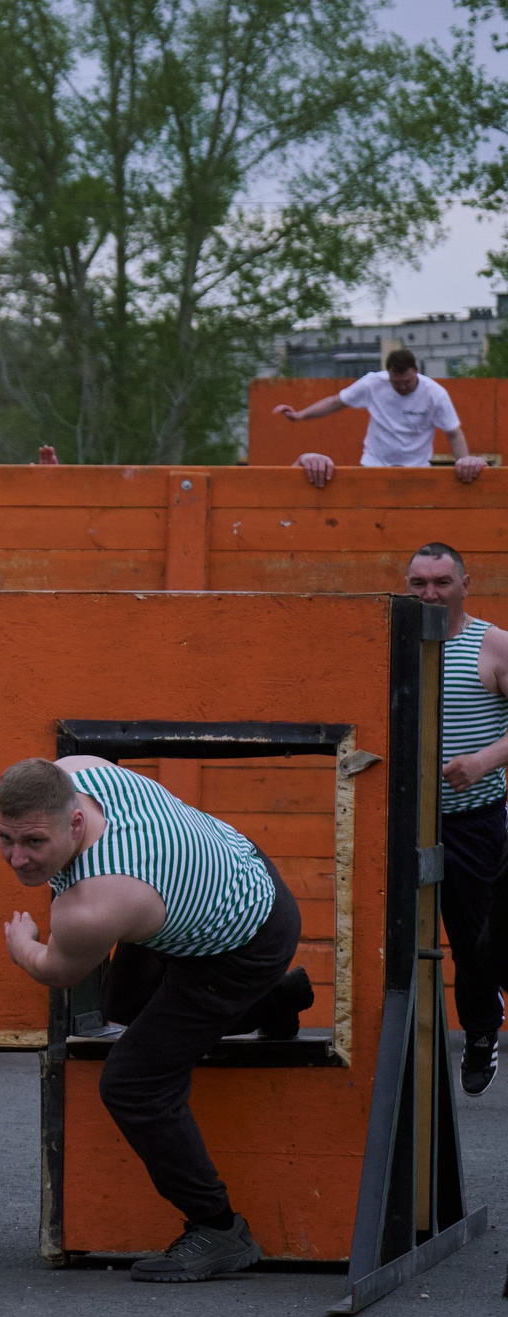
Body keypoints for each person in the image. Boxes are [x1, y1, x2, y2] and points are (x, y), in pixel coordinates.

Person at [0, 756, 301, 1281]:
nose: (17, 859)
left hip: (242, 945)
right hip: (234, 870)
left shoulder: (94, 906)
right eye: (5, 838)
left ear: (75, 822)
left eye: (34, 843)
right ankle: (276, 1000)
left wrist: (23, 947)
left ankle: (219, 1229)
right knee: (123, 1007)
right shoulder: (81, 770)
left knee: (133, 1084)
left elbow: (58, 970)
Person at [405, 544, 508, 1093]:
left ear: (467, 584)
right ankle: (394, 1049)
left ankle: (482, 1032)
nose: (429, 594)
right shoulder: (394, 643)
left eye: (441, 582)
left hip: (475, 819)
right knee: (394, 937)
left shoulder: (492, 646)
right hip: (405, 818)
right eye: (418, 582)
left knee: (474, 940)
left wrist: (484, 760)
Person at [276, 348, 486, 489]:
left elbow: (453, 432)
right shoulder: (373, 384)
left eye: (407, 382)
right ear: (388, 374)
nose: (402, 387)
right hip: (374, 465)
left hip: (415, 469)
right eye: (397, 383)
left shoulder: (434, 393)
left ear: (417, 372)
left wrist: (463, 465)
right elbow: (335, 402)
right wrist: (300, 415)